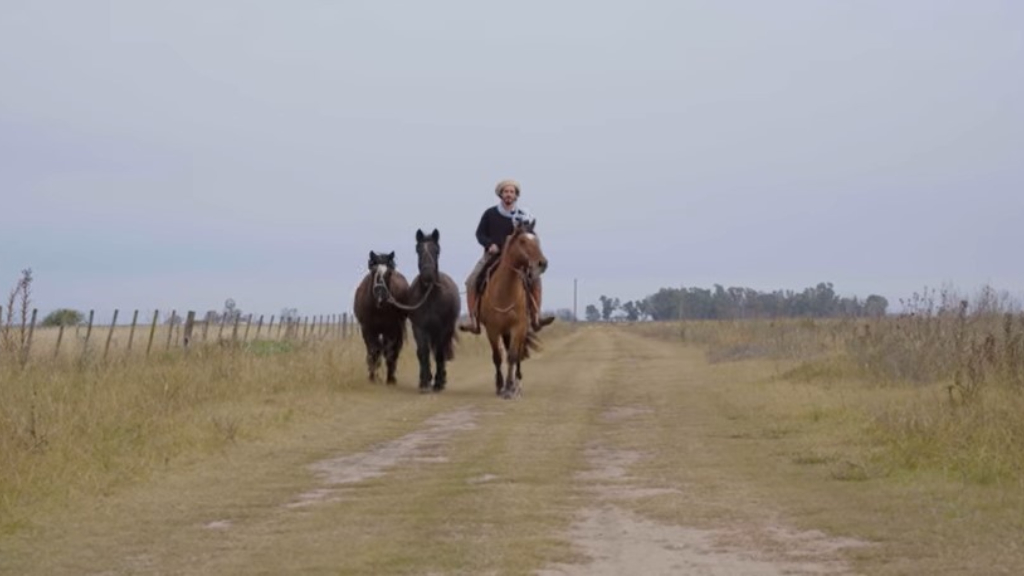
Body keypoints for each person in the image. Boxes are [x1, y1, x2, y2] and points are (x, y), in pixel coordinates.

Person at [459, 179, 555, 335]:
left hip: (517, 260)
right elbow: (480, 234)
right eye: (505, 192)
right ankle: (473, 321)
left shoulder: (523, 216)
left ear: (516, 195)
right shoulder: (490, 213)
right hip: (493, 256)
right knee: (471, 281)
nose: (508, 195)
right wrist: (489, 244)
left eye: (512, 192)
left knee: (536, 280)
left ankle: (536, 317)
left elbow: (530, 236)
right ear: (500, 195)